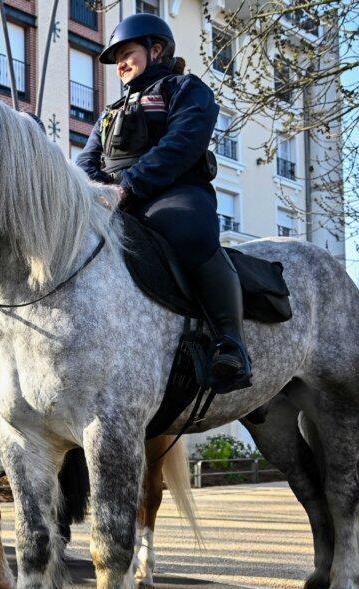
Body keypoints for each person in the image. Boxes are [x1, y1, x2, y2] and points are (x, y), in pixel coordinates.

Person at [76, 14, 251, 393]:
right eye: (116, 57)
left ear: (155, 50)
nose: (120, 63)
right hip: (112, 200)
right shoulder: (109, 114)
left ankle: (231, 344)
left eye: (128, 53)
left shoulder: (185, 89)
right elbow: (86, 161)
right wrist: (83, 193)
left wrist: (128, 187)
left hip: (172, 193)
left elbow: (181, 145)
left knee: (190, 234)